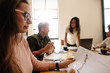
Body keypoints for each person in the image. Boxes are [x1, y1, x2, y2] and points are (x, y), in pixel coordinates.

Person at [0, 0, 75, 73]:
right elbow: (35, 55)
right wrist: (45, 49)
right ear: (9, 12)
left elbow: (35, 63)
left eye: (30, 17)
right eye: (26, 15)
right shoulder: (32, 39)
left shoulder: (21, 40)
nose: (30, 22)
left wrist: (62, 64)